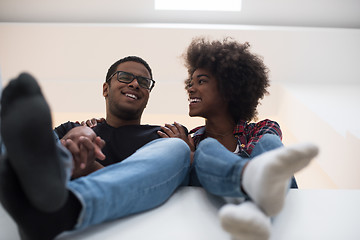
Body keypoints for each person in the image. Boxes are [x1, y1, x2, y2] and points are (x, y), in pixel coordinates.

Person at [0, 56, 191, 240]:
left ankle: (64, 206)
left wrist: (89, 166)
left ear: (148, 95)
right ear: (105, 89)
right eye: (125, 77)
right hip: (46, 187)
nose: (134, 84)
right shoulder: (73, 128)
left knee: (177, 148)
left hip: (70, 204)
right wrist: (70, 141)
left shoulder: (162, 135)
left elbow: (151, 178)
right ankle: (37, 170)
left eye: (144, 81)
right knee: (31, 133)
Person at [157, 37, 319, 240]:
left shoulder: (262, 129)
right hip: (214, 225)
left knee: (268, 144)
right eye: (190, 83)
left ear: (228, 89)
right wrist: (185, 155)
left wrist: (193, 158)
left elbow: (263, 156)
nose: (190, 89)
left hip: (278, 227)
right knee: (207, 147)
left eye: (201, 81)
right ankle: (254, 203)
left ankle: (254, 211)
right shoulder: (193, 141)